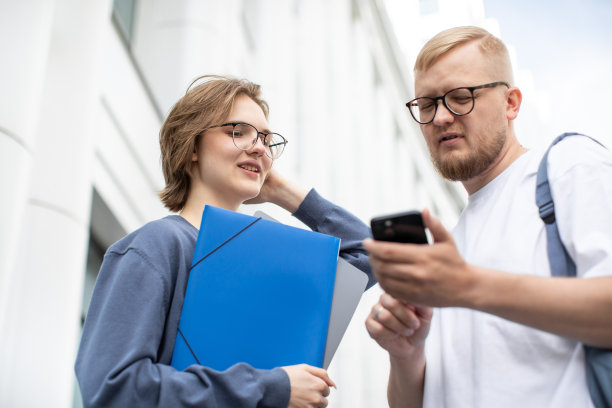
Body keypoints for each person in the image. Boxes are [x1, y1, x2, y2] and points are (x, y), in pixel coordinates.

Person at [75, 75, 374, 407]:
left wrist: (281, 191)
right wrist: (273, 387)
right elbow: (113, 388)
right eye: (238, 131)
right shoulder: (156, 245)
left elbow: (370, 255)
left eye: (266, 140)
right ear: (191, 147)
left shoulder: (269, 255)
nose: (259, 146)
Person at [364, 26, 612, 408]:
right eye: (426, 105)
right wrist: (405, 354)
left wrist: (467, 287)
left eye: (461, 97)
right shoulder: (452, 246)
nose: (441, 117)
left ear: (511, 103)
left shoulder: (569, 165)